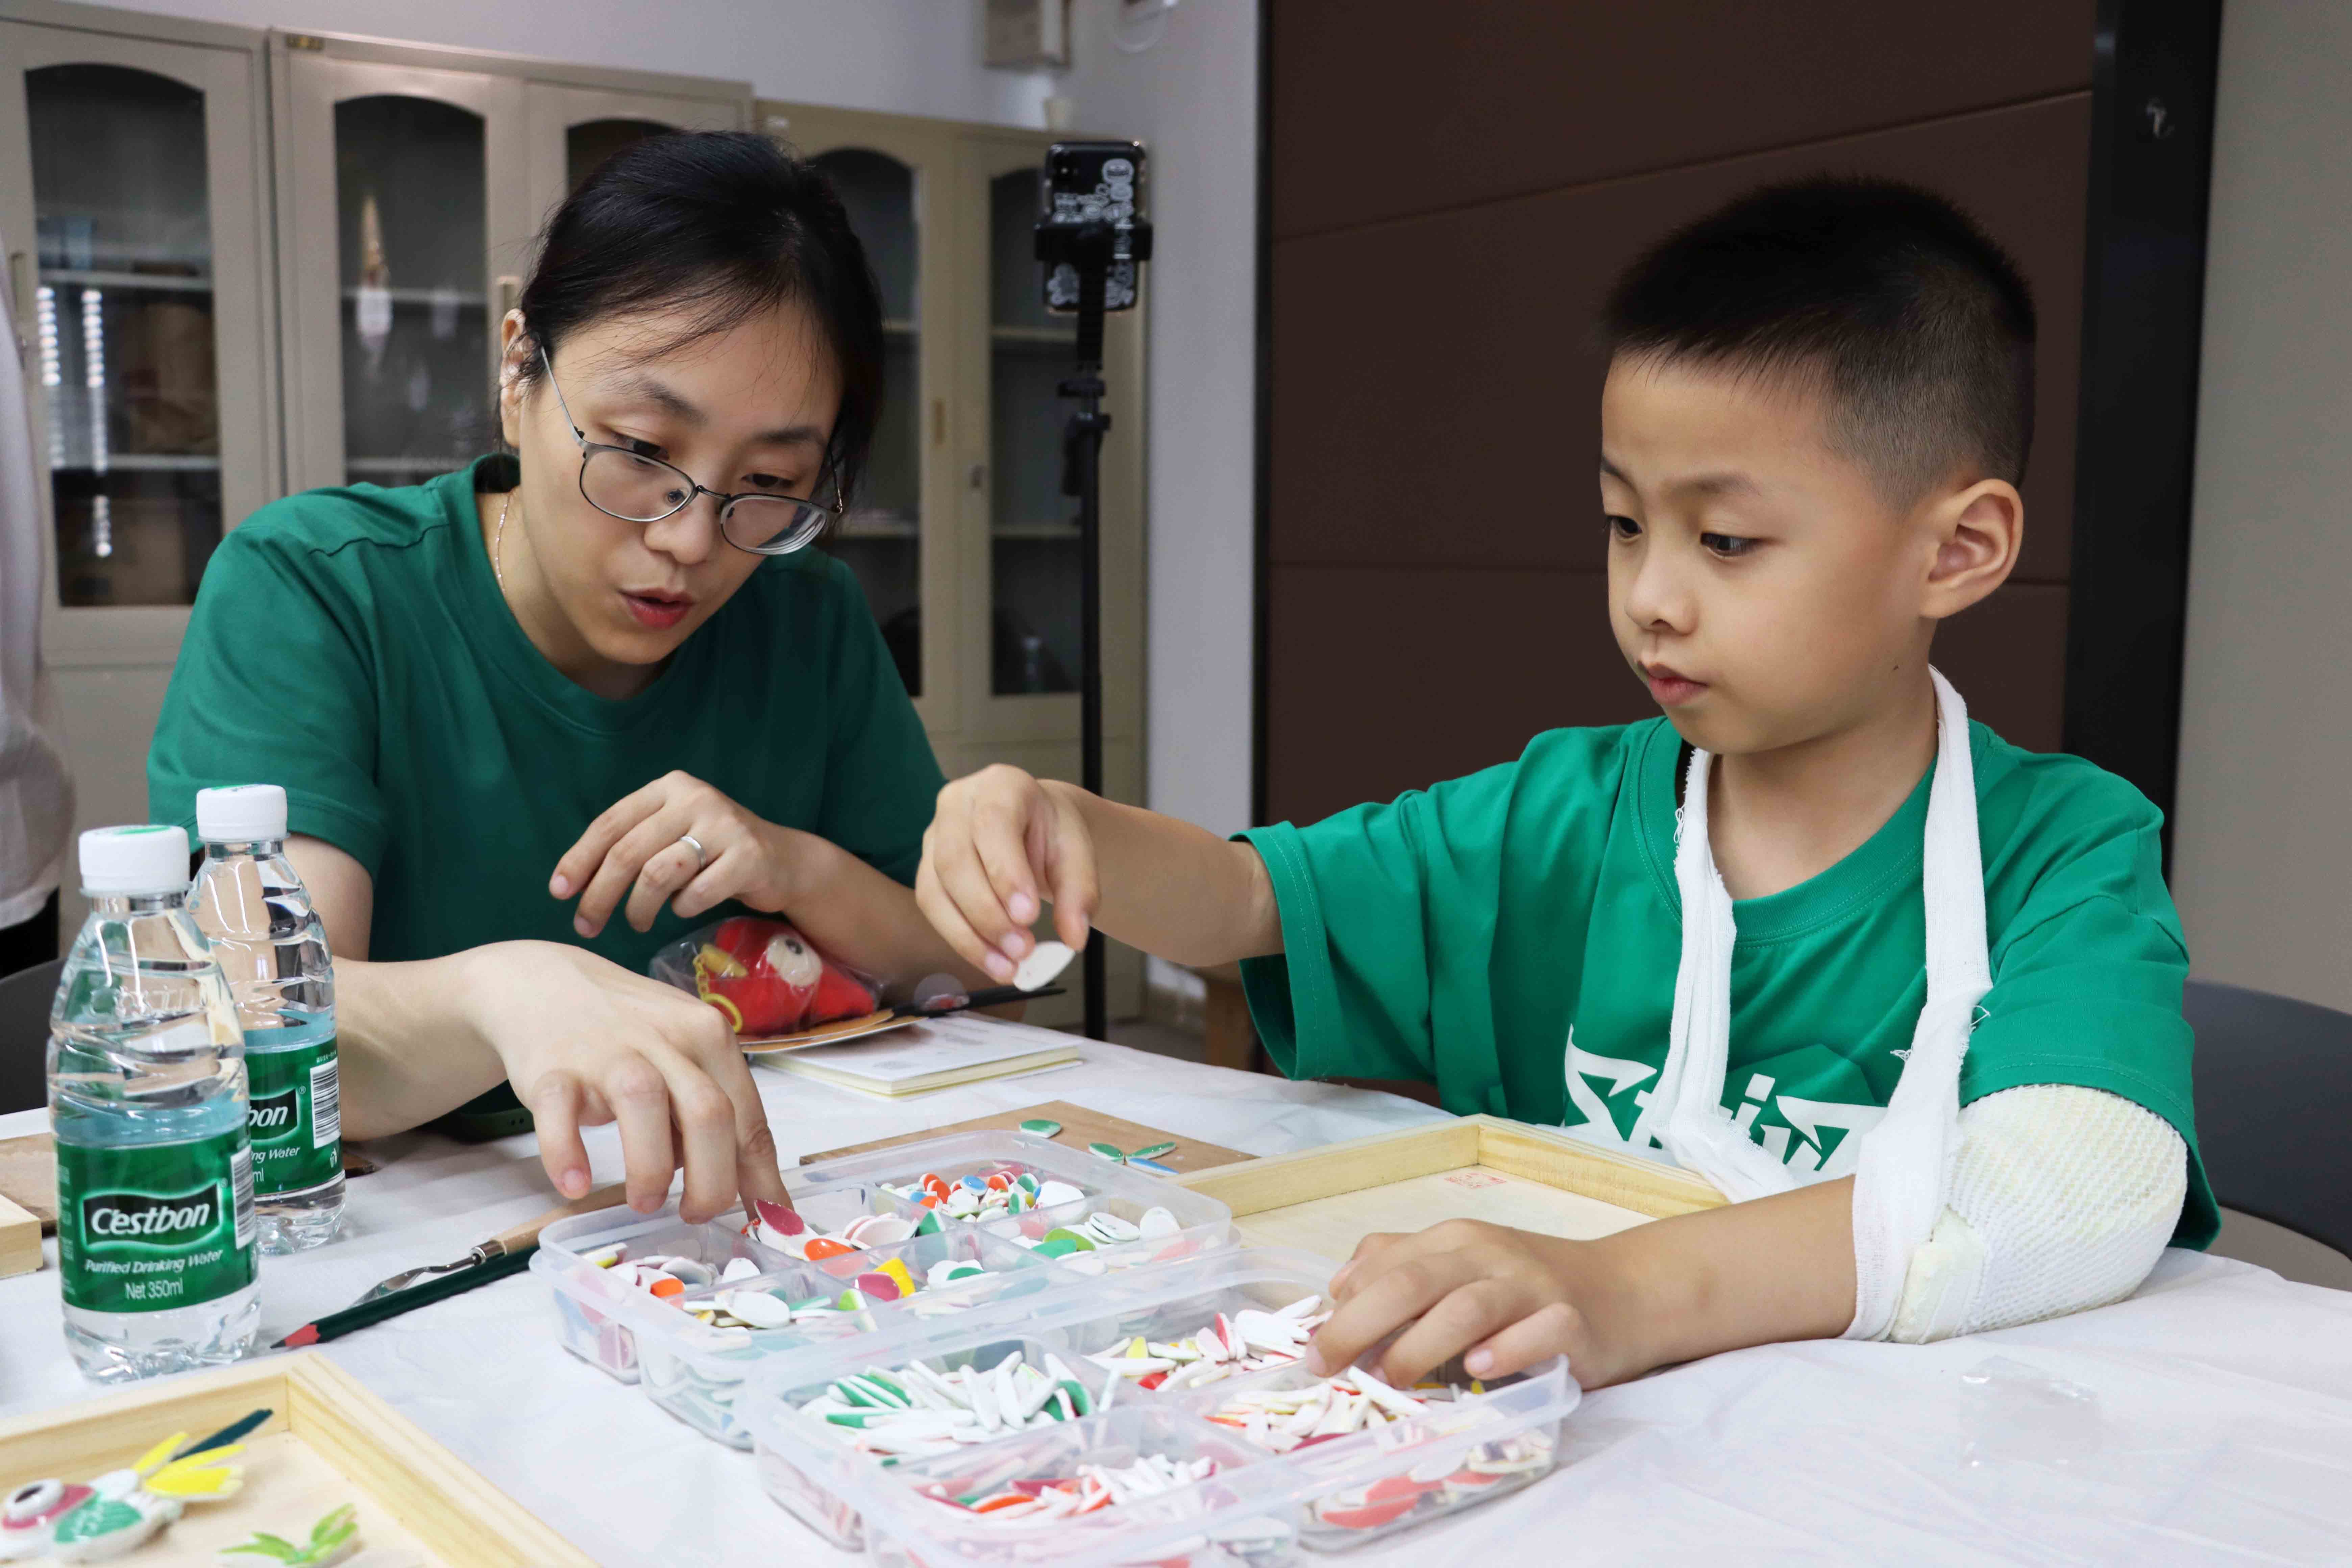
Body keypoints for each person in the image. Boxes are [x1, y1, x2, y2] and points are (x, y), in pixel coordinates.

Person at [916, 178, 2213, 1389]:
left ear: (1959, 550)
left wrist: (1620, 1292)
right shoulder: (1561, 818)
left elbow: (2078, 1185)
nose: (1652, 596)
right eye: (1624, 524)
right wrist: (1067, 828)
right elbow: (1248, 902)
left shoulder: (2060, 851)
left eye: (1726, 540)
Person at [149, 132, 988, 1223]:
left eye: (770, 481)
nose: (690, 541)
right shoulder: (317, 589)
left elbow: (957, 964)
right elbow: (257, 1026)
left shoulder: (808, 616)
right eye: (640, 450)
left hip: (710, 1228)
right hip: (406, 1236)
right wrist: (504, 991)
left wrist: (796, 867)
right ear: (518, 374)